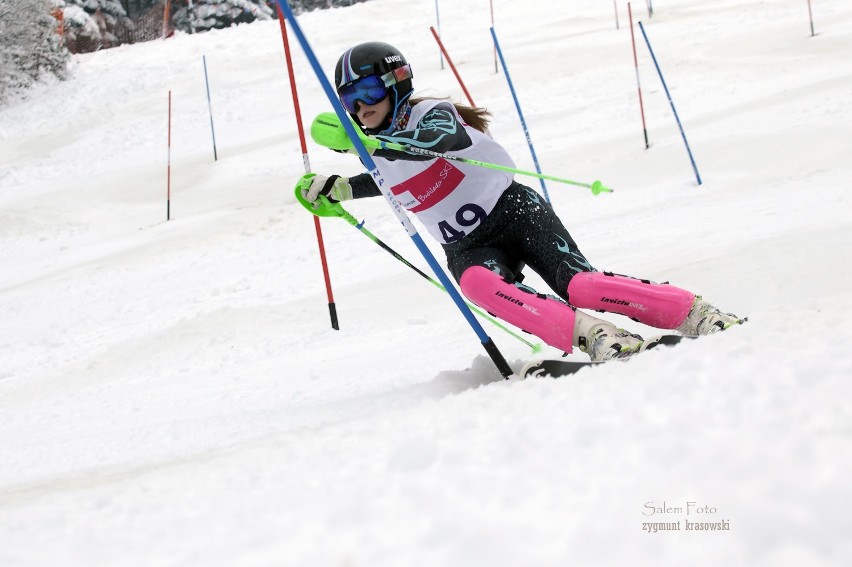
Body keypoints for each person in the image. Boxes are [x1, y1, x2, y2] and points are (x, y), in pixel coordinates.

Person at [298, 41, 744, 361]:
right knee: (476, 285)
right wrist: (339, 188)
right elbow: (391, 175)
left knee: (580, 286)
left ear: (397, 84)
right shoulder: (375, 146)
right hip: (468, 245)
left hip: (512, 212)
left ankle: (693, 311)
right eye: (349, 101)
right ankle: (596, 336)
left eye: (368, 94)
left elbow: (432, 141)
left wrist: (363, 142)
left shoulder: (429, 115)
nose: (361, 108)